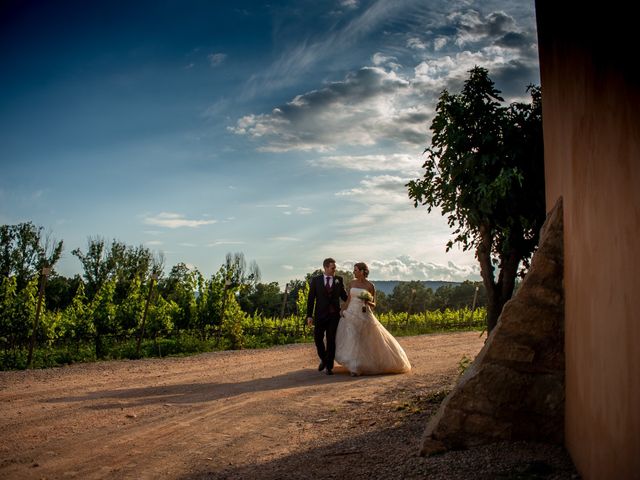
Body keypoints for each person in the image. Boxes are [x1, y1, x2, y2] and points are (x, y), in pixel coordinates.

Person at [335, 262, 411, 376]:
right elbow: (348, 299)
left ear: (362, 271)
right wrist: (342, 310)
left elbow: (374, 304)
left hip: (364, 314)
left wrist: (367, 301)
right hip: (350, 313)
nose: (353, 272)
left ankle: (362, 364)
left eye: (355, 270)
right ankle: (354, 366)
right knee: (352, 337)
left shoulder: (370, 286)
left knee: (363, 339)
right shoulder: (352, 283)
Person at [306, 258, 348, 375]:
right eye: (332, 268)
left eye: (335, 268)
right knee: (318, 339)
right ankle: (324, 359)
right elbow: (311, 299)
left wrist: (356, 298)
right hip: (320, 315)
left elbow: (344, 297)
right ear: (325, 267)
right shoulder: (316, 280)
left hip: (334, 315)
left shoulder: (339, 280)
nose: (335, 270)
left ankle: (329, 366)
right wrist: (309, 315)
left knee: (331, 340)